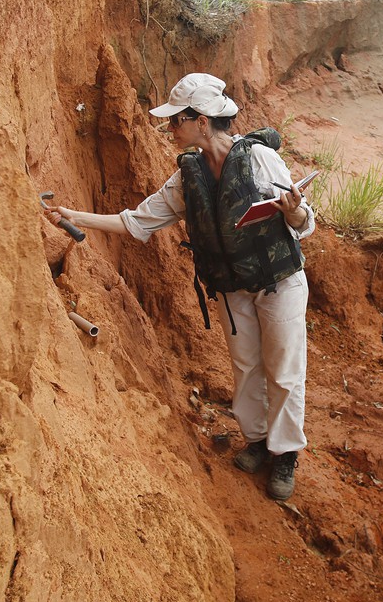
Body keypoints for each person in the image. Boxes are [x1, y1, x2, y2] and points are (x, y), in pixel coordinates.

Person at [47, 73, 315, 501]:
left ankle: (285, 455)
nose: (170, 129)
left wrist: (295, 214)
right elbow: (135, 222)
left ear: (202, 121)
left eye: (176, 121)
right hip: (232, 289)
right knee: (247, 368)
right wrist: (74, 217)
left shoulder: (260, 159)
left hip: (278, 282)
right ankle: (258, 441)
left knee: (283, 370)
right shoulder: (187, 178)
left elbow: (305, 222)